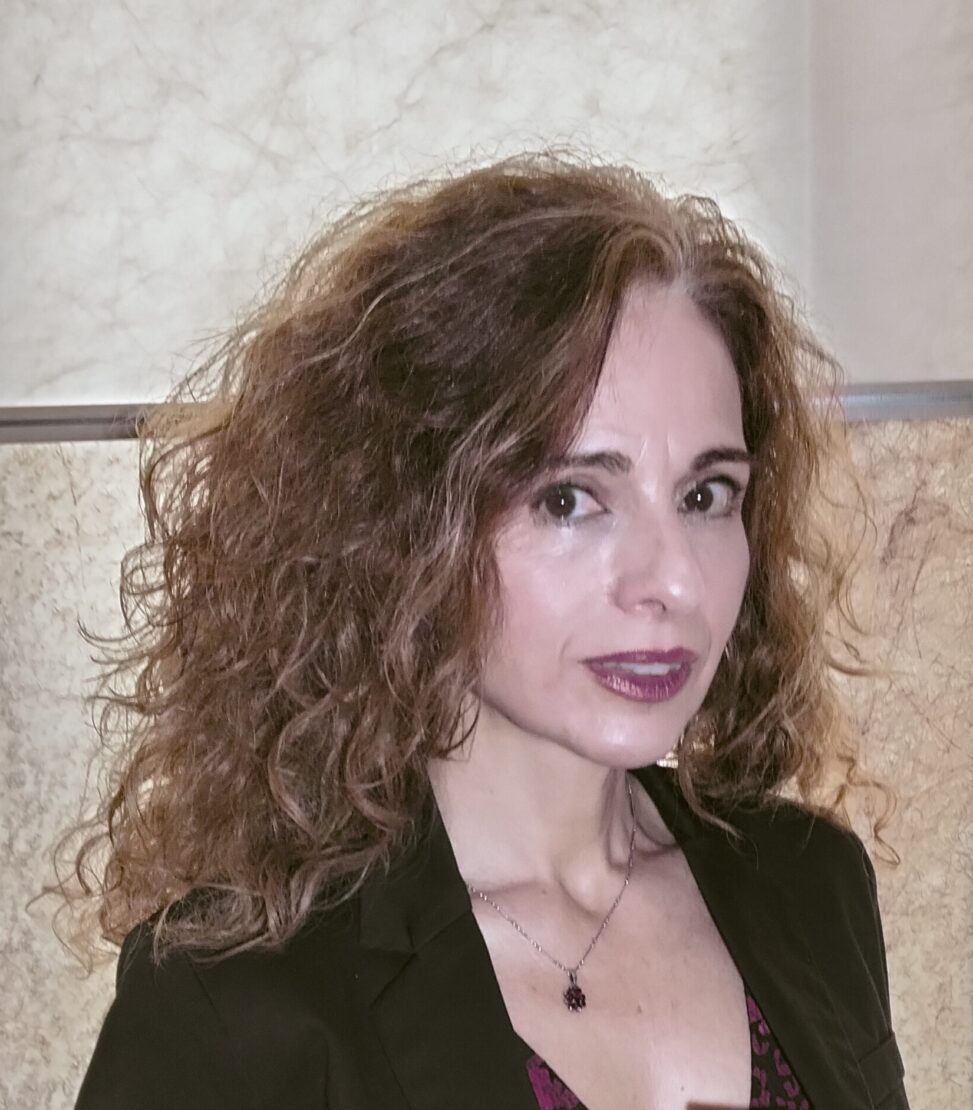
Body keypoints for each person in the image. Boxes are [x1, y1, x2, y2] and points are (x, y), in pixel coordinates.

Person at [63, 151, 909, 1109]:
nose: (674, 579)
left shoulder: (810, 887)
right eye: (569, 499)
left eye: (706, 495)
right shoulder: (239, 1006)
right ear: (406, 526)